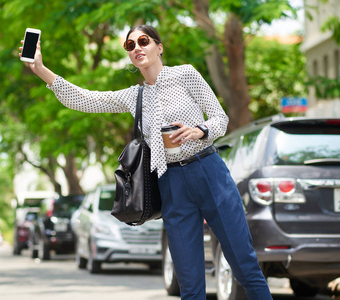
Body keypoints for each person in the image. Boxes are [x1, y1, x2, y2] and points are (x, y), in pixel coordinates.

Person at [20, 24, 272, 299]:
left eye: (143, 41)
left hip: (208, 172)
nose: (137, 47)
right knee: (189, 284)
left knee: (245, 267)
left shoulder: (185, 74)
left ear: (159, 47)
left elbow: (220, 119)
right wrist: (41, 69)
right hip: (171, 184)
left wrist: (198, 130)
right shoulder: (134, 96)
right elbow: (85, 99)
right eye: (130, 45)